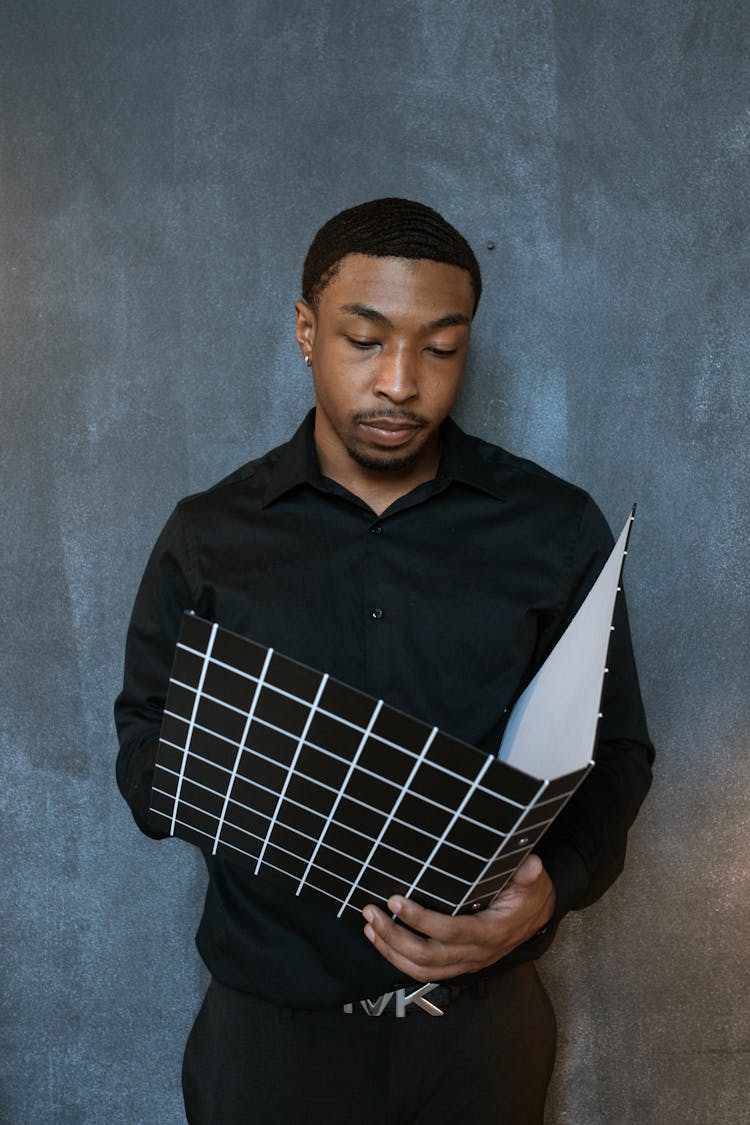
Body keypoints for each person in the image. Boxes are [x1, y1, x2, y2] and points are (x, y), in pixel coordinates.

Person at [115, 197, 654, 1124]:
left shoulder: (555, 528)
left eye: (441, 349)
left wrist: (547, 895)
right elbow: (143, 746)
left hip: (482, 1041)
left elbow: (619, 757)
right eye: (365, 341)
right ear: (305, 330)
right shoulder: (208, 537)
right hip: (269, 1048)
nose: (402, 382)